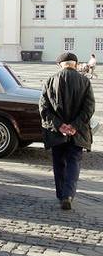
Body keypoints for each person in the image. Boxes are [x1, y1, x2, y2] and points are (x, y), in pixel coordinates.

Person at [39, 52, 95, 210]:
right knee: (73, 163)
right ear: (75, 65)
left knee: (58, 163)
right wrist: (74, 126)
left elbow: (43, 108)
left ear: (60, 65)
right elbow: (89, 108)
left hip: (57, 132)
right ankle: (68, 195)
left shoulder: (50, 81)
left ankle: (61, 194)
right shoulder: (84, 81)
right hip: (77, 133)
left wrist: (60, 126)